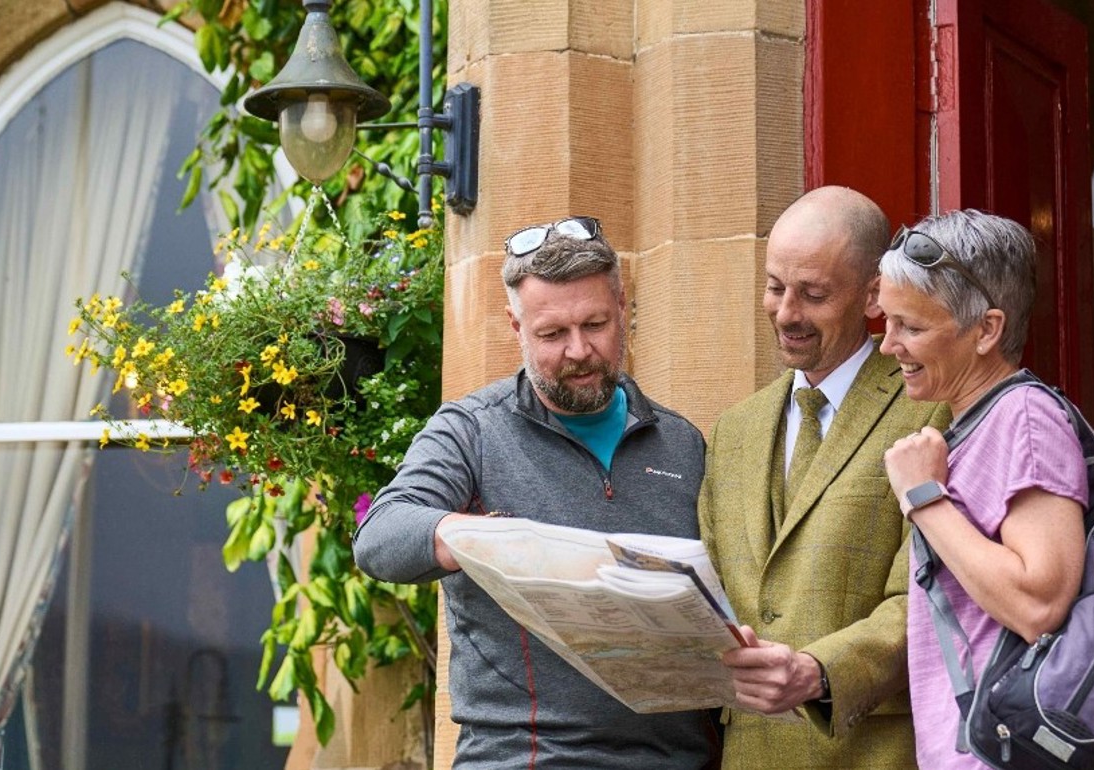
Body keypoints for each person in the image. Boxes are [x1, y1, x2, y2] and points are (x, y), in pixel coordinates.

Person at [353, 216, 716, 769]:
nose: (578, 351)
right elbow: (379, 537)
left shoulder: (682, 444)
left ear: (623, 308)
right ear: (515, 326)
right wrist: (478, 536)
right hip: (525, 760)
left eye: (595, 324)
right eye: (551, 334)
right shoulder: (469, 432)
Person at [700, 186, 948, 768]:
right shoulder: (734, 429)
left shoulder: (931, 410)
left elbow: (935, 599)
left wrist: (816, 672)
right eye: (774, 286)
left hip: (877, 754)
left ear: (872, 295)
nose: (787, 313)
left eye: (813, 294)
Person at [876, 209, 1090, 769]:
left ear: (987, 330)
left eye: (912, 327)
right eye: (889, 322)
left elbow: (1038, 602)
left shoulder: (1023, 418)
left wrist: (924, 497)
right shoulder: (973, 424)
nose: (887, 346)